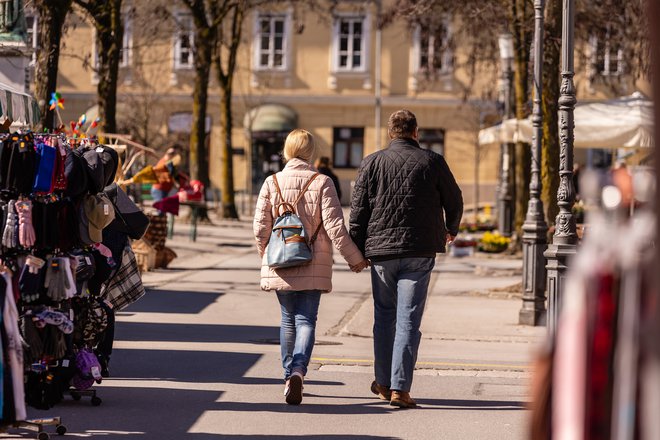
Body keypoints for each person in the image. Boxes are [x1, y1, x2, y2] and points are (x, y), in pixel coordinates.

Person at [349, 109, 463, 408]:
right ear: (416, 132)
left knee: (383, 317)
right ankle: (401, 388)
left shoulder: (372, 162)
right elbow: (454, 199)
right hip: (419, 250)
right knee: (408, 320)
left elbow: (359, 211)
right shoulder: (433, 161)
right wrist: (450, 229)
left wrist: (357, 250)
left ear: (390, 133)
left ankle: (384, 383)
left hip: (382, 252)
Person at [253, 129, 369, 405]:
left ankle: (287, 375)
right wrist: (355, 259)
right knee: (306, 320)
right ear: (311, 152)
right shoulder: (322, 182)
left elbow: (260, 228)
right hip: (313, 262)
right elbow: (336, 228)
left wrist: (267, 255)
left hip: (280, 261)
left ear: (287, 151)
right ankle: (298, 371)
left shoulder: (272, 182)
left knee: (287, 319)